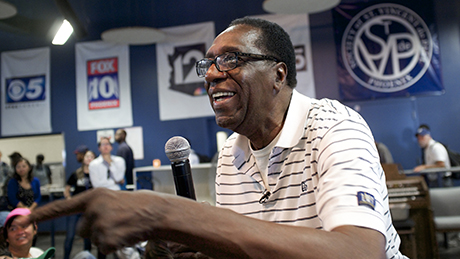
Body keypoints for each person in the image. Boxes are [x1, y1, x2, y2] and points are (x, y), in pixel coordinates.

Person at [25, 17, 405, 258]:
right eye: (208, 64)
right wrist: (182, 239)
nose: (210, 75)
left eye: (232, 60)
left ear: (278, 75)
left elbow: (360, 251)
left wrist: (173, 213)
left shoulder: (334, 126)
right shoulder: (230, 155)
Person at [63, 150, 96, 259]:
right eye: (87, 156)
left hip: (89, 210)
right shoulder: (76, 174)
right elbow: (67, 189)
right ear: (83, 158)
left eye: (92, 156)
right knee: (70, 236)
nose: (89, 158)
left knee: (87, 238)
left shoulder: (97, 175)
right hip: (76, 210)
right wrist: (69, 199)